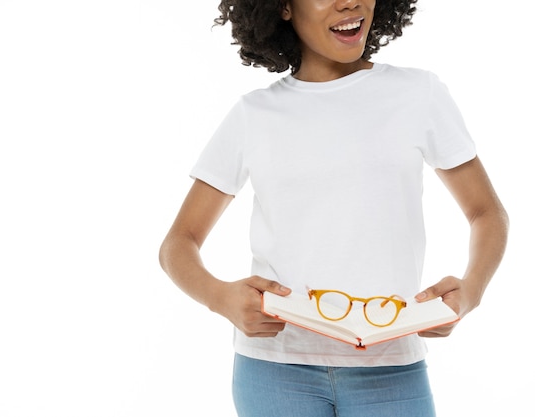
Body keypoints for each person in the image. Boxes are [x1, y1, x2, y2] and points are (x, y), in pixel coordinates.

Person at [159, 0, 509, 415]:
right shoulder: (254, 115)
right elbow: (178, 244)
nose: (350, 1)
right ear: (283, 8)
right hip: (274, 370)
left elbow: (486, 212)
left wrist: (471, 291)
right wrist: (220, 297)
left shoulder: (419, 94)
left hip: (391, 369)